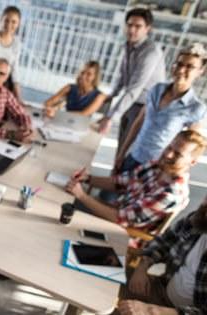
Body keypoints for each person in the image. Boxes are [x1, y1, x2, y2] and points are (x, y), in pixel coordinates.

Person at [65, 130, 206, 229]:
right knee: (61, 198)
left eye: (178, 154)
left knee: (60, 206)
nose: (168, 154)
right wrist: (88, 179)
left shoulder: (171, 194)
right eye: (170, 147)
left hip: (118, 233)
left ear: (192, 162)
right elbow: (120, 182)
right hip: (111, 212)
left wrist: (82, 196)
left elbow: (120, 219)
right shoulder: (156, 166)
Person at [114, 43, 207, 174]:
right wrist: (121, 153)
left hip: (157, 168)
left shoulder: (196, 108)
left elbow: (188, 149)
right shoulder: (157, 89)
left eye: (190, 67)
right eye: (179, 64)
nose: (181, 70)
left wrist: (170, 175)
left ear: (200, 72)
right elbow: (139, 122)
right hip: (133, 156)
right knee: (107, 194)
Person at [118, 195, 207, 315]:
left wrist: (152, 311)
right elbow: (163, 242)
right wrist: (142, 268)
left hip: (173, 311)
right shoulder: (199, 218)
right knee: (106, 274)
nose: (204, 203)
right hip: (161, 289)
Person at [97, 8, 166, 158]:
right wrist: (111, 95)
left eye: (138, 26)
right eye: (129, 25)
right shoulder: (128, 46)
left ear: (148, 28)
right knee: (121, 145)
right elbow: (123, 76)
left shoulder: (151, 52)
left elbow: (135, 87)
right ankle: (114, 177)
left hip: (145, 107)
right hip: (132, 102)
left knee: (128, 149)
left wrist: (110, 117)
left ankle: (118, 178)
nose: (132, 30)